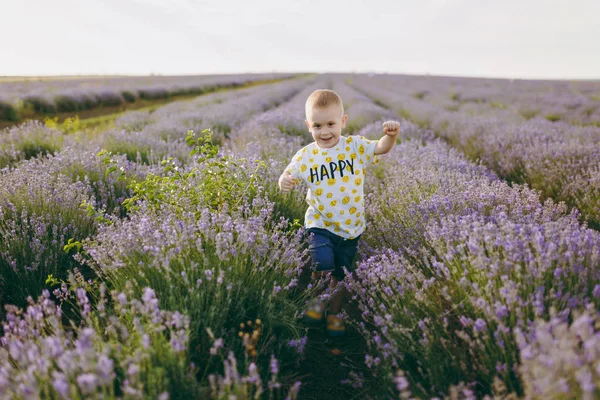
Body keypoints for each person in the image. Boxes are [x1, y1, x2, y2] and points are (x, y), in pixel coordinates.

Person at [278, 89, 400, 337]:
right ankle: (315, 304)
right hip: (320, 224)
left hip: (351, 227)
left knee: (341, 276)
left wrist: (391, 135)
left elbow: (380, 148)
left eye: (331, 124)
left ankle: (334, 312)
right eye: (317, 125)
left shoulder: (354, 146)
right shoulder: (306, 156)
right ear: (308, 126)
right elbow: (288, 173)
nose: (324, 132)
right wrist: (284, 180)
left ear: (343, 121)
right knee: (321, 266)